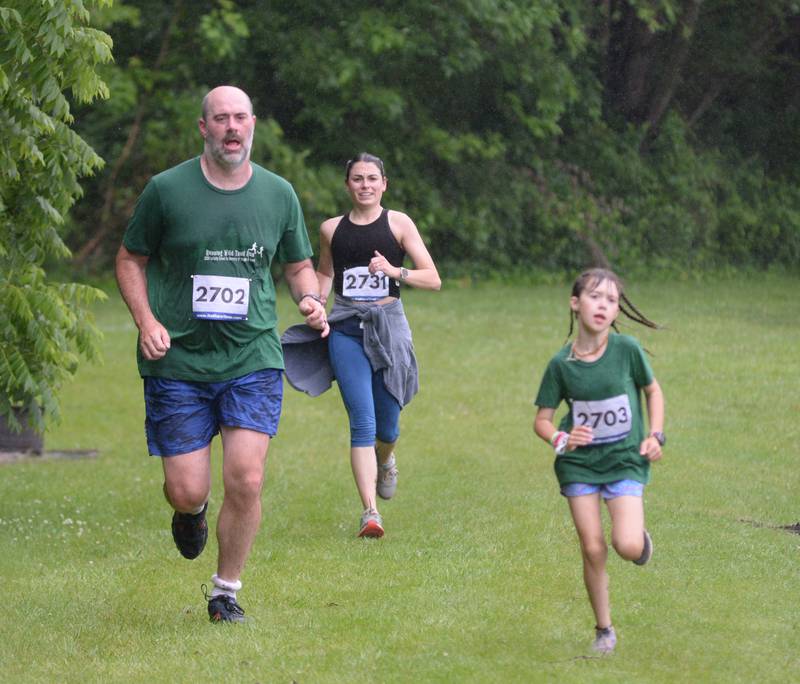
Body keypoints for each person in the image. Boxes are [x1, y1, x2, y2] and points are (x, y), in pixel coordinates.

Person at [115, 85, 328, 623]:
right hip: (179, 360)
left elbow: (298, 263)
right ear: (203, 128)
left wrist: (307, 296)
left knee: (247, 477)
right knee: (186, 489)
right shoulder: (167, 190)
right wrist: (147, 321)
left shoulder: (279, 194)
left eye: (240, 118)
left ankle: (225, 591)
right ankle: (192, 513)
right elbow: (130, 258)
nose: (232, 128)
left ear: (253, 123)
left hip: (251, 354)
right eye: (221, 119)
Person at [533, 268, 665, 654]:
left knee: (624, 545)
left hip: (624, 460)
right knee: (592, 548)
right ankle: (604, 630)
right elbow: (542, 420)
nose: (603, 305)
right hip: (579, 466)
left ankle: (639, 542)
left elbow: (653, 392)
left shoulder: (628, 351)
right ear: (576, 304)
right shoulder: (561, 365)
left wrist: (655, 435)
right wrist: (561, 437)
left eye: (611, 299)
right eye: (595, 297)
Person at [314, 152, 441, 537]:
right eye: (357, 178)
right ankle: (370, 513)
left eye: (372, 178)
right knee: (362, 421)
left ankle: (386, 459)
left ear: (384, 183)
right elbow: (324, 273)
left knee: (387, 424)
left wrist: (394, 271)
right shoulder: (331, 229)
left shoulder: (398, 223)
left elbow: (433, 277)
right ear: (347, 184)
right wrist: (316, 304)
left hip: (389, 328)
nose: (365, 185)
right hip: (346, 328)